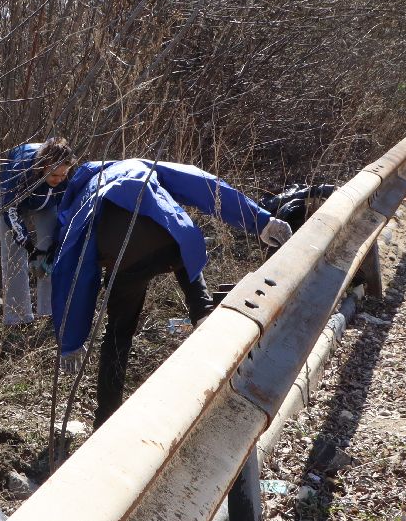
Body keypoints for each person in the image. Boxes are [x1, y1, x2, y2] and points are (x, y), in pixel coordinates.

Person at [48, 158, 293, 427]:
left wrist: (71, 339)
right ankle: (201, 309)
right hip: (174, 242)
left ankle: (105, 419)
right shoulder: (136, 165)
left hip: (126, 262)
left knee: (118, 336)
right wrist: (261, 221)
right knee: (181, 245)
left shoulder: (83, 199)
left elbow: (73, 270)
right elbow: (201, 184)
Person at [0, 139, 76, 325]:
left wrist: (53, 246)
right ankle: (17, 318)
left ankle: (49, 311)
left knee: (50, 249)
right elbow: (11, 211)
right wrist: (29, 246)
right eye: (55, 175)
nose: (59, 179)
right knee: (13, 254)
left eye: (63, 175)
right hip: (13, 201)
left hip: (48, 202)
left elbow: (67, 210)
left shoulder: (68, 175)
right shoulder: (21, 173)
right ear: (43, 166)